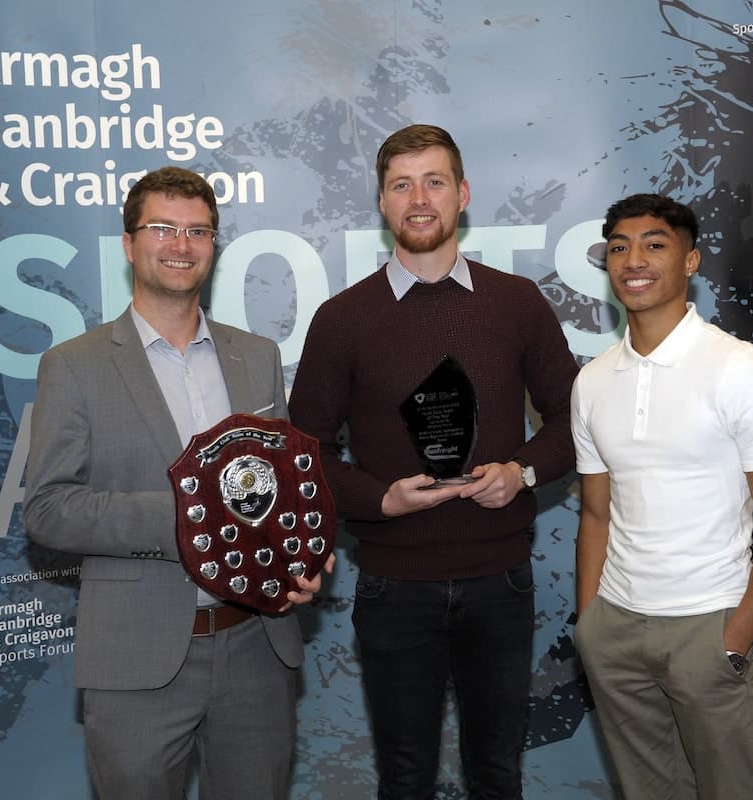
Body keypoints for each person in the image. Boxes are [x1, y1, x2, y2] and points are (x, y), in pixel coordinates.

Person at [288, 124, 578, 799]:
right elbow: (305, 453)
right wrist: (379, 500)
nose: (419, 199)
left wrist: (522, 473)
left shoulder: (517, 303)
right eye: (401, 184)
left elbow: (573, 420)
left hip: (499, 584)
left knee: (498, 775)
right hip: (395, 589)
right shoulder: (341, 319)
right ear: (383, 203)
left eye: (435, 181)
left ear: (463, 194)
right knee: (406, 778)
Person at [23, 166, 329, 800]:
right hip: (137, 658)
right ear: (130, 243)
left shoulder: (258, 357)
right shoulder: (72, 367)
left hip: (257, 650)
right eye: (162, 228)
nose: (181, 245)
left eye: (198, 231)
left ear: (215, 245)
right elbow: (49, 511)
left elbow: (283, 491)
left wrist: (302, 556)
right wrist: (187, 518)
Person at [571, 193, 753, 799]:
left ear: (691, 261)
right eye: (620, 247)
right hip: (617, 632)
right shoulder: (592, 381)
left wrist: (734, 643)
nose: (634, 260)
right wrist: (590, 627)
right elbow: (597, 514)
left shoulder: (736, 367)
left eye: (655, 244)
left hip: (710, 626)